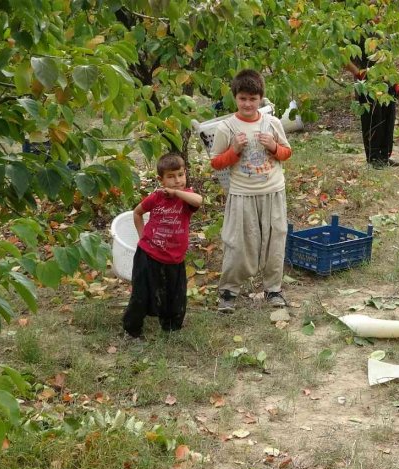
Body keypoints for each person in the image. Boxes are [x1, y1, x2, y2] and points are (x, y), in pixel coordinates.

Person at [210, 69, 293, 313]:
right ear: (235, 98)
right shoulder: (227, 128)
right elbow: (216, 163)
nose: (248, 103)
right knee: (238, 243)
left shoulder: (272, 123)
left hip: (273, 191)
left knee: (275, 239)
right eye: (243, 98)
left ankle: (273, 289)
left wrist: (274, 146)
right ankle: (228, 292)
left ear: (260, 99)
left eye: (253, 98)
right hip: (242, 194)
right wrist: (234, 150)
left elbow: (286, 153)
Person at [123, 153, 203, 337]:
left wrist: (176, 193)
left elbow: (198, 201)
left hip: (174, 257)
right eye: (171, 176)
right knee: (141, 294)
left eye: (180, 175)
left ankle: (171, 328)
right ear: (161, 179)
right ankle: (132, 330)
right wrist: (142, 238)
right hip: (148, 255)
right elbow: (137, 213)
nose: (177, 180)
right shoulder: (156, 197)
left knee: (175, 296)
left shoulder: (187, 197)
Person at [344, 36, 399, 169]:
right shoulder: (357, 33)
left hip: (387, 84)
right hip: (367, 85)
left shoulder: (382, 33)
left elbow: (388, 59)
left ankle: (384, 156)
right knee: (373, 121)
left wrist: (395, 81)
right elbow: (343, 59)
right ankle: (374, 158)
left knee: (387, 120)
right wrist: (359, 74)